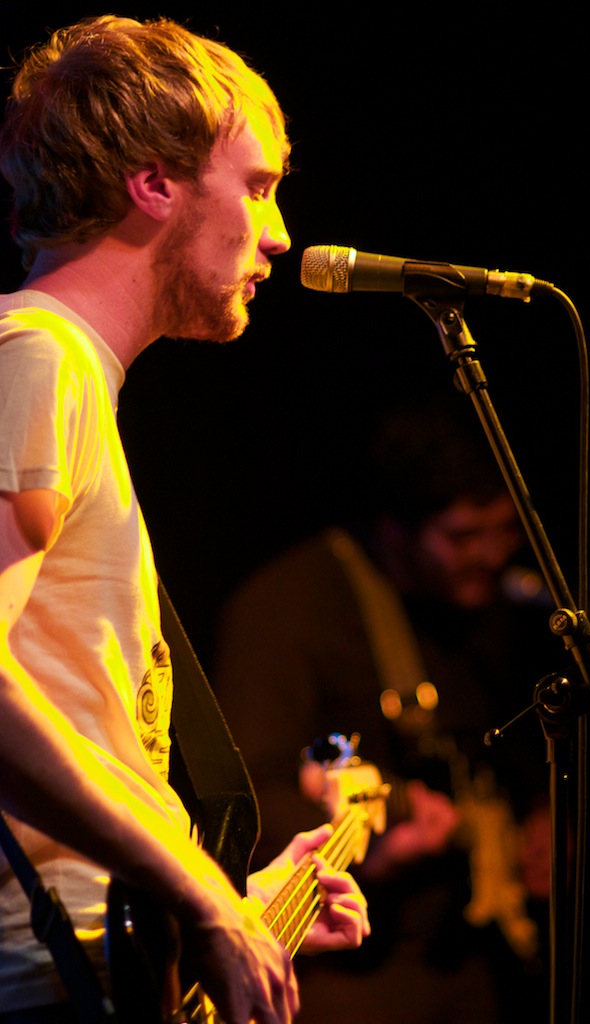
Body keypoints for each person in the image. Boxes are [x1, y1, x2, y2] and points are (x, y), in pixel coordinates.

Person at [0, 15, 370, 1023]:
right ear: (154, 183)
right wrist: (197, 888)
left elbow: (77, 717)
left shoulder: (67, 376)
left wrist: (238, 899)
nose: (280, 230)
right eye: (256, 185)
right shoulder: (35, 357)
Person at [211, 394, 560, 1024]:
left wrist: (542, 814)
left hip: (477, 960)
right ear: (393, 528)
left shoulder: (490, 605)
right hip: (355, 978)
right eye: (462, 536)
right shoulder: (286, 612)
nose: (490, 555)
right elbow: (245, 799)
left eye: (504, 530)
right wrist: (374, 849)